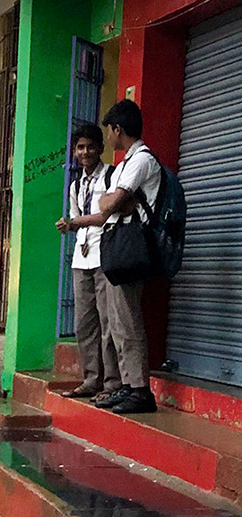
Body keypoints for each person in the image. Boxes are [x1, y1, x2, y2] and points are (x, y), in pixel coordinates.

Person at [95, 99, 160, 415]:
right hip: (118, 245)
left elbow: (109, 203)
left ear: (118, 129)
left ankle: (140, 391)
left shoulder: (141, 161)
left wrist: (114, 200)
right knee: (117, 323)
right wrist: (115, 201)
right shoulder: (124, 164)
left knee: (128, 322)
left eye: (109, 131)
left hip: (131, 248)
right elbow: (109, 202)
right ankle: (128, 386)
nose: (108, 137)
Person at [56, 123, 120, 403]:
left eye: (91, 146)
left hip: (105, 256)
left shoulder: (111, 177)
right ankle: (92, 379)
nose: (86, 152)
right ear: (74, 151)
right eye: (80, 147)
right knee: (85, 324)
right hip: (81, 259)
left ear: (100, 148)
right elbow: (75, 220)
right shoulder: (75, 185)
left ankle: (113, 383)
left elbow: (105, 216)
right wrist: (70, 225)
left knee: (108, 322)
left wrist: (74, 223)